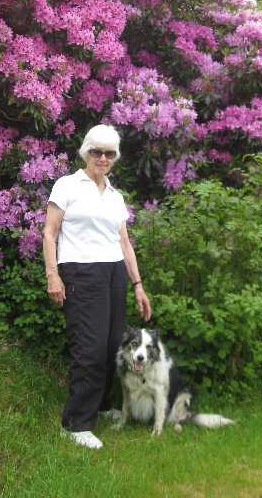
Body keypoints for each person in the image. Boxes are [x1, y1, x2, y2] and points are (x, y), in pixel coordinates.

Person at [43, 124, 152, 450]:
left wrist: (137, 285)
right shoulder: (67, 185)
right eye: (96, 151)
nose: (102, 158)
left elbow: (124, 243)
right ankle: (75, 425)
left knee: (108, 348)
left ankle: (101, 405)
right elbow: (50, 233)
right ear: (86, 152)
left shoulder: (116, 196)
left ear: (114, 157)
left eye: (109, 153)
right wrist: (53, 275)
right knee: (88, 349)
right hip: (80, 273)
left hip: (114, 275)